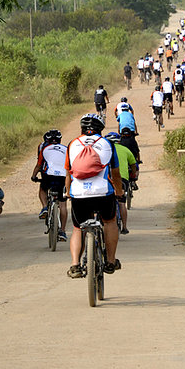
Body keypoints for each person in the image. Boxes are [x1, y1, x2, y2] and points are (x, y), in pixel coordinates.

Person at [65, 113, 123, 278]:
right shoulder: (107, 144)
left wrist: (68, 192)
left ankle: (75, 264)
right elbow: (116, 173)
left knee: (77, 228)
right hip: (103, 193)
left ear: (82, 129)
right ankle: (110, 262)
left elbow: (68, 173)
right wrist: (119, 192)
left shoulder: (72, 144)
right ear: (101, 129)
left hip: (78, 194)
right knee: (110, 221)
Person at [31, 129, 68, 241]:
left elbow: (39, 165)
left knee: (43, 188)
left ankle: (45, 207)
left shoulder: (44, 149)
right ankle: (62, 231)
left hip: (48, 175)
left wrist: (33, 176)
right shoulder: (66, 149)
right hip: (62, 177)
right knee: (63, 205)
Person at [105, 132, 136, 235]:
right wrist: (133, 175)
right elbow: (133, 164)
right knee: (122, 202)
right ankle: (125, 227)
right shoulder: (125, 150)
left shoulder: (104, 150)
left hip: (108, 179)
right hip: (123, 179)